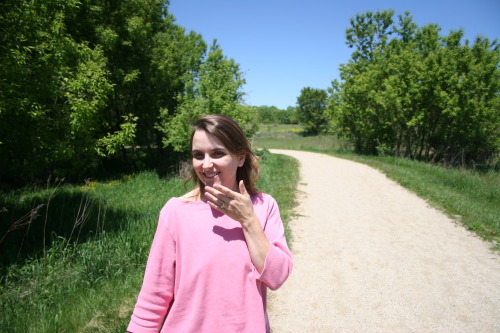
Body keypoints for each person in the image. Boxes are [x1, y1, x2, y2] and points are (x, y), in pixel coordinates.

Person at [127, 114, 293, 332]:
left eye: (217, 153)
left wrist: (248, 219)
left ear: (240, 157)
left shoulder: (263, 206)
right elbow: (155, 293)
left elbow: (277, 276)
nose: (206, 164)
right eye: (198, 155)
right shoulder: (176, 212)